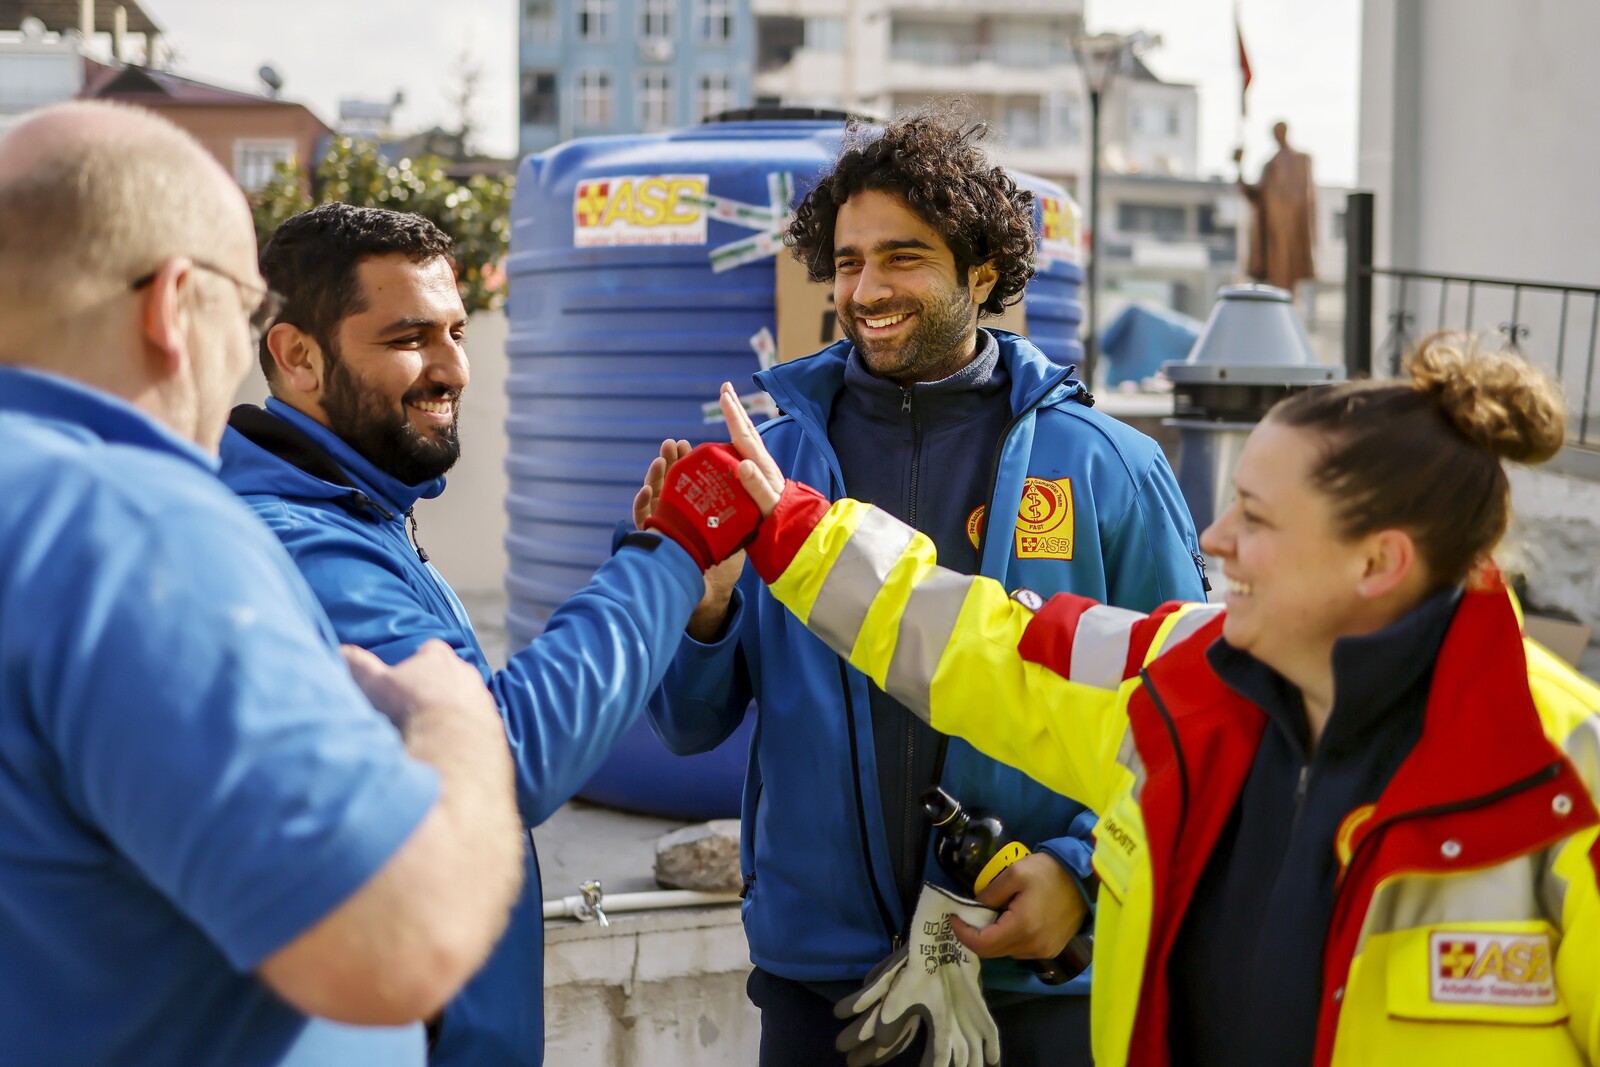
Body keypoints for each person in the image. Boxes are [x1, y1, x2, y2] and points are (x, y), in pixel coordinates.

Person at [718, 331, 1600, 1066]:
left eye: (1255, 518)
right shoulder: (1183, 677)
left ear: (1378, 562)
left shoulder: (1568, 774)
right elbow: (981, 645)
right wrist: (796, 531)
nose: (1216, 538)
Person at [637, 112, 1207, 1066]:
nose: (866, 289)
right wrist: (704, 610)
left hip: (1040, 979)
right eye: (849, 261)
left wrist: (1079, 874)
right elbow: (689, 725)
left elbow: (1192, 723)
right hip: (822, 988)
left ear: (982, 272)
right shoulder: (765, 470)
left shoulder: (1111, 468)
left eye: (903, 257)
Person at [0, 102, 526, 1066]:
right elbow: (402, 942)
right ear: (170, 304)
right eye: (244, 309)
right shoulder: (127, 523)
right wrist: (452, 716)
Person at [217, 202, 734, 1067]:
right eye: (409, 337)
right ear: (297, 355)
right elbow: (500, 761)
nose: (452, 367)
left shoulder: (364, 515)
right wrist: (668, 557)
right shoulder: (299, 543)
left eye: (456, 330)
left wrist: (691, 595)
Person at [1237, 120, 1317, 298]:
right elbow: (1255, 195)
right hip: (1273, 232)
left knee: (1288, 281)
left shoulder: (1300, 161)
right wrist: (1238, 168)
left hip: (1292, 234)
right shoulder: (1270, 165)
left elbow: (1306, 199)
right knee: (1279, 280)